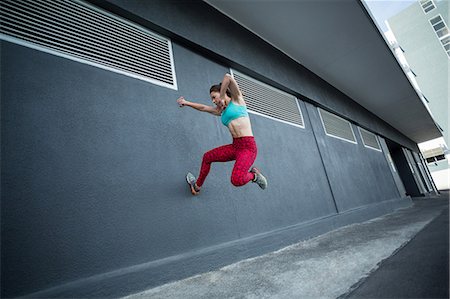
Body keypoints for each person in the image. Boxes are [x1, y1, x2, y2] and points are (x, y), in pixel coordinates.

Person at [177, 73, 267, 195]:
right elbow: (203, 108)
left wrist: (223, 96)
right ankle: (197, 186)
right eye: (213, 99)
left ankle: (254, 176)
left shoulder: (237, 99)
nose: (214, 101)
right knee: (207, 157)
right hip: (236, 146)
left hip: (248, 148)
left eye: (214, 97)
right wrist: (186, 102)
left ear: (221, 92)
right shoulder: (220, 110)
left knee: (236, 180)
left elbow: (228, 77)